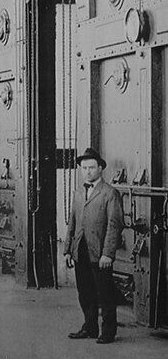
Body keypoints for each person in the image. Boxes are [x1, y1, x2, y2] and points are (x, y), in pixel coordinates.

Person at [63, 147, 123, 344]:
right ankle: (89, 327)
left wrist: (108, 254)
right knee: (85, 292)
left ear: (100, 169)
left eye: (91, 167)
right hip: (80, 250)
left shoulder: (110, 193)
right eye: (84, 168)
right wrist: (67, 250)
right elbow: (72, 222)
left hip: (99, 252)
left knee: (105, 294)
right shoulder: (78, 192)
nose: (87, 171)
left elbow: (114, 226)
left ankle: (108, 331)